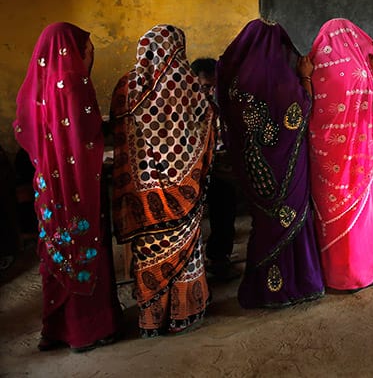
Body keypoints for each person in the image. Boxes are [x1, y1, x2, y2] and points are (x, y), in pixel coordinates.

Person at [14, 22, 122, 352]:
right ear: (74, 51)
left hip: (49, 186)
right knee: (87, 244)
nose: (90, 56)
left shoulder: (38, 86)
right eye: (87, 50)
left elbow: (26, 133)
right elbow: (86, 135)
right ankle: (88, 330)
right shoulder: (74, 84)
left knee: (56, 249)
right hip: (79, 186)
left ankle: (55, 330)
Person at [111, 24, 213, 337]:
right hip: (184, 192)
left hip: (144, 195)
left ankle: (151, 321)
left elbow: (118, 138)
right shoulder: (188, 84)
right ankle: (184, 314)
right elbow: (207, 125)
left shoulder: (127, 86)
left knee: (148, 254)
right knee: (187, 255)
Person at [216, 19, 325, 307]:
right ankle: (297, 283)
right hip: (289, 168)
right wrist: (305, 77)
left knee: (264, 222)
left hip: (255, 167)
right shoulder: (283, 80)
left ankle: (261, 288)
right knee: (292, 219)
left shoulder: (238, 82)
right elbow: (303, 109)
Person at [307, 18, 373, 292]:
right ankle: (364, 271)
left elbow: (307, 109)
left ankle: (335, 275)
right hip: (359, 160)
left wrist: (305, 77)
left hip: (326, 161)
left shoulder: (317, 70)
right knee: (360, 212)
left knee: (330, 217)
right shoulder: (365, 75)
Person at [191, 57, 240, 281]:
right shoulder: (185, 109)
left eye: (213, 86)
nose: (209, 91)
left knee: (224, 208)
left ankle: (219, 258)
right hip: (192, 171)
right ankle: (191, 264)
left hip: (218, 167)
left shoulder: (223, 106)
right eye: (204, 87)